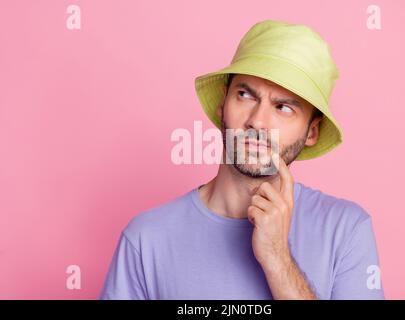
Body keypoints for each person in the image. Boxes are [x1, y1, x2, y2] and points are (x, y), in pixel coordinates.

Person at [100, 20, 384, 300]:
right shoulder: (145, 239)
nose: (257, 121)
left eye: (283, 107)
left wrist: (278, 258)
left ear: (311, 131)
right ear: (224, 103)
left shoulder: (346, 229)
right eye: (245, 95)